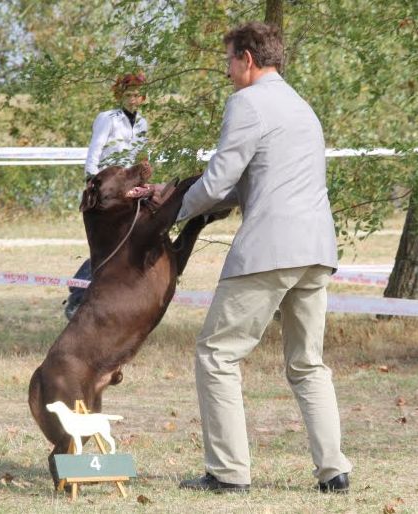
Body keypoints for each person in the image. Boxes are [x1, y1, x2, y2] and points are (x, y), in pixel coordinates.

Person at [176, 22, 352, 493]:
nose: (228, 71)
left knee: (216, 353)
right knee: (307, 363)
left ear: (248, 59)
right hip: (316, 251)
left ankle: (229, 473)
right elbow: (248, 182)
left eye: (230, 60)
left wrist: (169, 210)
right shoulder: (301, 106)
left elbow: (217, 182)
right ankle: (334, 469)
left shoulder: (247, 103)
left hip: (268, 251)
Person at [64, 73, 148, 320]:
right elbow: (95, 150)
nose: (133, 99)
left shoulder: (143, 123)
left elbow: (138, 156)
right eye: (128, 94)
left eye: (137, 94)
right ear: (120, 95)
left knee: (121, 243)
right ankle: (78, 294)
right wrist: (92, 181)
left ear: (143, 98)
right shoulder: (108, 118)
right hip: (108, 187)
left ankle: (85, 292)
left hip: (128, 188)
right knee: (108, 244)